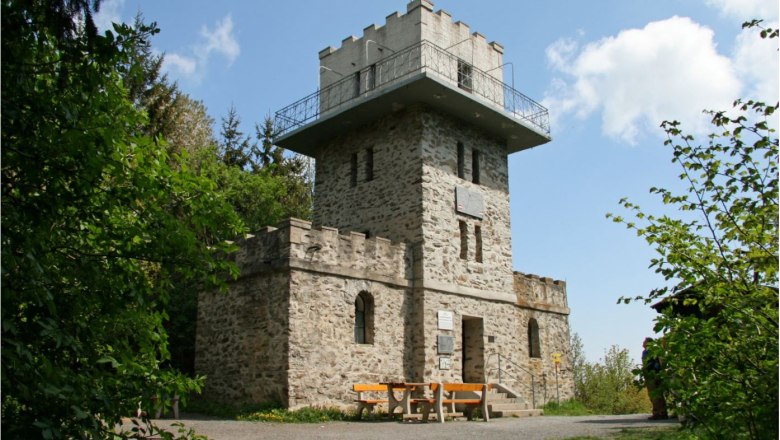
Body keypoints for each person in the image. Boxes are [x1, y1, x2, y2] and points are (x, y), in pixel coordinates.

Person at [642, 337, 668, 420]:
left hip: (654, 375)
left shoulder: (652, 351)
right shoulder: (645, 352)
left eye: (644, 342)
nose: (643, 343)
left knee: (656, 394)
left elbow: (658, 362)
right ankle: (660, 412)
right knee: (653, 394)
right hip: (649, 375)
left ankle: (659, 413)